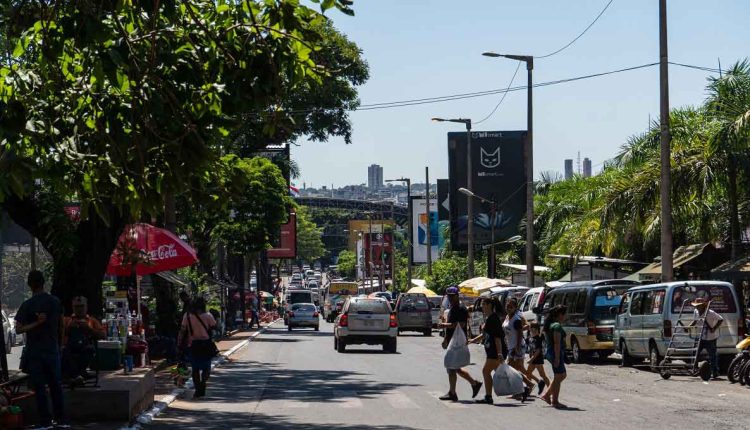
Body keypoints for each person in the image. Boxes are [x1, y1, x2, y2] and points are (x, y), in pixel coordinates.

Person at [14, 270, 69, 429]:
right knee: (55, 386)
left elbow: (18, 330)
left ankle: (45, 421)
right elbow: (62, 325)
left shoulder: (27, 305)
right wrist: (60, 345)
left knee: (39, 387)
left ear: (29, 285)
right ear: (44, 282)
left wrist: (36, 324)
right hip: (52, 349)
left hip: (35, 351)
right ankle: (62, 420)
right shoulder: (55, 302)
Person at [437, 286, 482, 402]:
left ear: (457, 296)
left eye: (453, 296)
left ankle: (454, 392)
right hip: (452, 341)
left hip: (458, 342)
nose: (451, 298)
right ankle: (473, 384)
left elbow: (460, 324)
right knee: (455, 367)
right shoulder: (452, 308)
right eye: (449, 296)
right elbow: (451, 326)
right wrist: (445, 339)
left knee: (451, 366)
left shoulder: (461, 308)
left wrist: (444, 326)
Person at [178, 297, 217, 399]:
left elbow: (182, 330)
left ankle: (197, 388)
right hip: (206, 345)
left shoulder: (187, 316)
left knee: (195, 368)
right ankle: (203, 383)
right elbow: (214, 326)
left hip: (193, 345)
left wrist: (179, 342)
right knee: (206, 368)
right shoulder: (208, 315)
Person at [468, 297, 505, 404]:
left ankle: (488, 396)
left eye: (483, 304)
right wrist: (472, 340)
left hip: (495, 351)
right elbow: (484, 335)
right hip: (493, 350)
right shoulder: (489, 318)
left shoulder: (493, 318)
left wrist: (499, 353)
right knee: (502, 372)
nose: (481, 307)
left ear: (489, 305)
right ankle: (525, 386)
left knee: (486, 371)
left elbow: (497, 337)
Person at [62, 296, 106, 384]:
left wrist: (89, 329)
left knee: (89, 350)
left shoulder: (92, 321)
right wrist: (69, 328)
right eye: (77, 307)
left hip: (85, 348)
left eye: (81, 306)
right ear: (72, 307)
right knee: (63, 351)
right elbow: (58, 333)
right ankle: (76, 374)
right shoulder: (66, 320)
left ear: (86, 307)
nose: (79, 309)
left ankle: (77, 374)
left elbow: (103, 335)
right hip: (69, 348)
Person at [502, 298, 533, 399]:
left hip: (516, 346)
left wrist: (517, 348)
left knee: (511, 369)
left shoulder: (516, 319)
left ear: (515, 308)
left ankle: (520, 391)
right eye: (507, 306)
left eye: (511, 306)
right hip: (511, 346)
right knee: (514, 369)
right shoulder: (507, 317)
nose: (509, 308)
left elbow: (520, 334)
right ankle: (528, 385)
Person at [541, 305, 568, 408]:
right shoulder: (556, 326)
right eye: (564, 314)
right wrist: (557, 358)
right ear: (560, 315)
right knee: (559, 376)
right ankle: (552, 399)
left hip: (552, 353)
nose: (565, 316)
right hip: (555, 353)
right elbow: (557, 343)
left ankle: (548, 395)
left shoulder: (551, 324)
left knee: (561, 375)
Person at [691, 297, 724, 379]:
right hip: (699, 336)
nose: (697, 307)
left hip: (710, 338)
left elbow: (720, 319)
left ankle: (715, 372)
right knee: (695, 354)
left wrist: (714, 328)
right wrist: (688, 326)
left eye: (698, 306)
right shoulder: (695, 311)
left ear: (703, 306)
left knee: (712, 356)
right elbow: (695, 321)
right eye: (696, 306)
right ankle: (694, 370)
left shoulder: (710, 313)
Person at [525, 322, 550, 395]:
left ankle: (550, 389)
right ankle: (529, 390)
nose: (532, 330)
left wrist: (531, 359)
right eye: (531, 328)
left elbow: (538, 350)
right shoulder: (530, 338)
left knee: (542, 375)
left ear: (537, 329)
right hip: (532, 359)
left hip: (538, 359)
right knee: (528, 373)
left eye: (534, 329)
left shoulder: (538, 338)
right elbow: (529, 347)